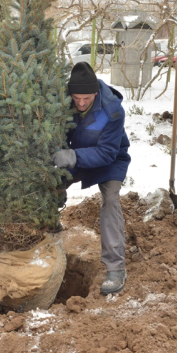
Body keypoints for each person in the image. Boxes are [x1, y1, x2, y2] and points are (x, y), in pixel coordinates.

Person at [53, 61, 131, 296]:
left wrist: (72, 156)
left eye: (86, 98)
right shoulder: (65, 102)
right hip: (78, 157)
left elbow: (107, 152)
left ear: (96, 92)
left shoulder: (112, 110)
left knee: (109, 201)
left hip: (110, 160)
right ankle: (49, 231)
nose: (81, 103)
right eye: (76, 97)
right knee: (51, 185)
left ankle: (116, 268)